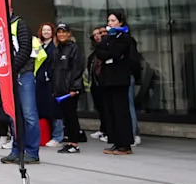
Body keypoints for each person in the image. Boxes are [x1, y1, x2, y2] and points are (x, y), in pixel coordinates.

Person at [0, 12, 41, 165]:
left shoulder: (20, 25)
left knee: (29, 114)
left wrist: (10, 69)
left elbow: (25, 49)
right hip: (9, 77)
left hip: (24, 74)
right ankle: (16, 150)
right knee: (13, 115)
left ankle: (32, 152)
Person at [93, 11, 136, 155]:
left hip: (119, 78)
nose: (110, 23)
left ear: (120, 22)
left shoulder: (125, 37)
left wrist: (108, 54)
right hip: (108, 78)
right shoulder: (109, 37)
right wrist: (106, 53)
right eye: (109, 20)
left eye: (113, 20)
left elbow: (115, 53)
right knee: (110, 111)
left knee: (121, 111)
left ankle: (125, 143)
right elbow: (99, 50)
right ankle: (116, 141)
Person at [51, 23, 85, 153]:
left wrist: (74, 88)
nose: (61, 35)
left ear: (69, 34)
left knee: (71, 116)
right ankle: (70, 141)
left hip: (70, 90)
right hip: (60, 90)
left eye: (64, 32)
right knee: (65, 116)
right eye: (59, 32)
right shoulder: (57, 49)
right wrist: (54, 90)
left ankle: (74, 143)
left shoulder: (73, 49)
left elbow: (77, 69)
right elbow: (55, 71)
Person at [37, 22, 63, 148]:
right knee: (45, 109)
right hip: (41, 82)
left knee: (54, 109)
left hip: (52, 82)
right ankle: (47, 135)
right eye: (44, 30)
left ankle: (58, 136)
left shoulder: (55, 46)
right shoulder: (39, 46)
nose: (46, 32)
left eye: (48, 30)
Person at [86, 26, 109, 143]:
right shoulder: (95, 50)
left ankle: (108, 131)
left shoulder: (105, 48)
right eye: (94, 35)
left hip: (104, 82)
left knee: (106, 108)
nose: (97, 36)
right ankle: (103, 129)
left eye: (99, 34)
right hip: (95, 83)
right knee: (100, 107)